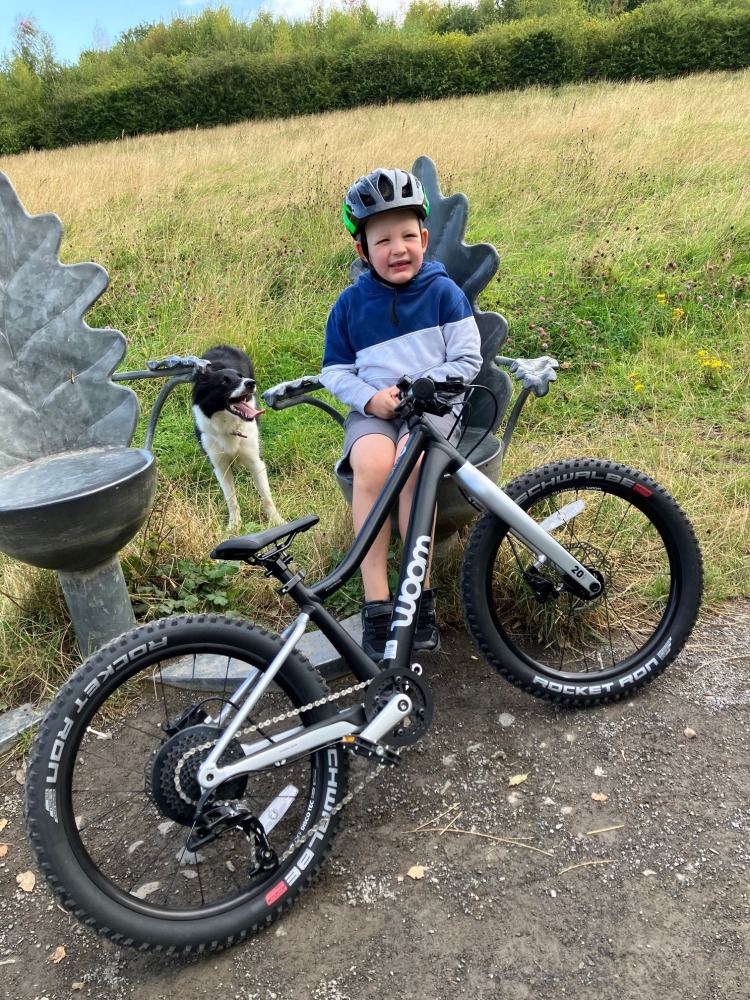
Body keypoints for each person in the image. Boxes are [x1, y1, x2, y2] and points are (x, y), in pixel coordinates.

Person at [320, 167, 483, 662]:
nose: (398, 249)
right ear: (362, 251)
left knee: (411, 469)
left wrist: (427, 385)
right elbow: (335, 370)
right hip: (376, 411)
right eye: (383, 239)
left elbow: (468, 357)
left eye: (408, 235)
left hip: (431, 411)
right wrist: (370, 401)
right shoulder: (349, 306)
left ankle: (419, 597)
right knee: (372, 462)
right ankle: (376, 603)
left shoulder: (443, 293)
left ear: (425, 237)